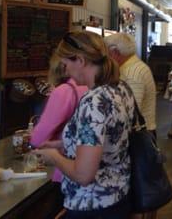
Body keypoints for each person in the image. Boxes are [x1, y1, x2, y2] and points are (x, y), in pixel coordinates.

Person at [36, 31, 135, 218]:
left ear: (80, 61)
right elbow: (108, 138)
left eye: (66, 64)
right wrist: (64, 144)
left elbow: (84, 175)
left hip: (92, 204)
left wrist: (54, 157)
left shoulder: (94, 101)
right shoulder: (120, 88)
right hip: (117, 196)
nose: (65, 71)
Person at [30, 56, 88, 182]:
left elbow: (38, 138)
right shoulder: (87, 86)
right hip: (86, 159)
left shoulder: (64, 91)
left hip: (67, 166)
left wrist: (32, 139)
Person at [104, 32, 157, 134]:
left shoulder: (131, 73)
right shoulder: (134, 66)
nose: (106, 59)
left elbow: (130, 112)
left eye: (107, 54)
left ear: (115, 52)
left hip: (138, 135)